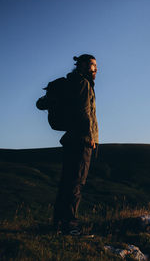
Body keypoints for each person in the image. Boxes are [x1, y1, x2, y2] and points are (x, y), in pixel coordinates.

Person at [53, 54, 99, 235]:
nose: (95, 69)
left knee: (67, 183)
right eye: (92, 65)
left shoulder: (74, 83)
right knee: (75, 184)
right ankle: (70, 226)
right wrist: (90, 137)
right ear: (80, 66)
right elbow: (84, 112)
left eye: (95, 66)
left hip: (72, 139)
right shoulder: (83, 84)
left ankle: (58, 224)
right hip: (81, 140)